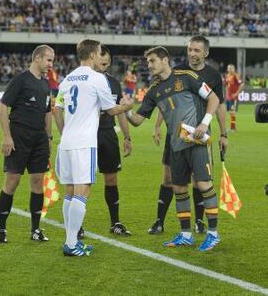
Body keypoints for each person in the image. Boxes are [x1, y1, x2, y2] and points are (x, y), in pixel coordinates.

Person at [125, 46, 221, 251]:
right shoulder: (153, 90)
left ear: (165, 60)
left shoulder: (187, 77)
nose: (149, 65)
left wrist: (204, 123)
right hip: (176, 145)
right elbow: (137, 121)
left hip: (196, 141)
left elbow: (214, 98)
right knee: (179, 189)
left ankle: (213, 234)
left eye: (152, 61)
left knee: (204, 185)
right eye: (148, 62)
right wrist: (126, 110)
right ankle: (186, 234)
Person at [54, 39, 133, 257]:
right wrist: (127, 106)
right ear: (91, 56)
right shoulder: (98, 78)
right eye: (99, 54)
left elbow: (57, 108)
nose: (100, 58)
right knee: (83, 190)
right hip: (84, 143)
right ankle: (71, 244)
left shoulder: (67, 79)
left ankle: (70, 241)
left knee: (69, 193)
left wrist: (64, 133)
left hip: (67, 143)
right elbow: (110, 110)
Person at [148, 36, 228, 235]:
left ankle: (200, 222)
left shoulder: (213, 76)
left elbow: (218, 105)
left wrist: (224, 133)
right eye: (190, 50)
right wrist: (157, 126)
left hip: (198, 135)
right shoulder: (177, 72)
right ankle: (159, 220)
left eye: (196, 50)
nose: (192, 54)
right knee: (169, 178)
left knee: (198, 180)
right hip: (175, 135)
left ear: (205, 53)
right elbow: (164, 100)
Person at [0, 45, 55, 244]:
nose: (51, 64)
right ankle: (1, 229)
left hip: (39, 139)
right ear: (37, 58)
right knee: (12, 182)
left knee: (38, 181)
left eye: (52, 60)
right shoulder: (20, 80)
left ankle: (35, 229)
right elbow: (3, 106)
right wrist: (7, 136)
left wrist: (49, 137)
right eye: (48, 60)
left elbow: (48, 112)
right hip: (19, 136)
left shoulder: (46, 85)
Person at [78, 45, 132, 238]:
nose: (105, 65)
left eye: (108, 62)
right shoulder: (83, 80)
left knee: (111, 179)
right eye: (102, 61)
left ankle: (115, 222)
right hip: (88, 134)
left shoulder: (113, 83)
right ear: (93, 58)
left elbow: (120, 112)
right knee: (84, 181)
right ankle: (78, 225)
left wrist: (127, 137)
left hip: (108, 134)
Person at [225, 64, 243, 131]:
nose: (230, 69)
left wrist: (236, 94)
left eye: (231, 68)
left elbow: (241, 84)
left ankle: (233, 128)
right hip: (229, 97)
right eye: (229, 68)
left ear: (234, 69)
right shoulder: (227, 75)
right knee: (230, 112)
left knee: (232, 112)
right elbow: (227, 85)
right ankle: (232, 127)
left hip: (234, 97)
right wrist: (227, 94)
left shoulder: (236, 75)